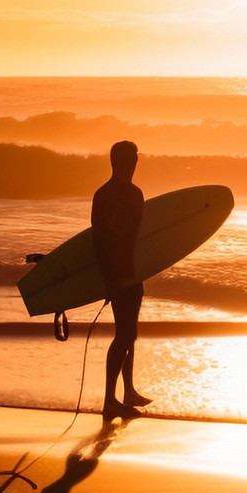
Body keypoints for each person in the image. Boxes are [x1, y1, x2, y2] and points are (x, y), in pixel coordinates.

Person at [92, 139, 149, 419]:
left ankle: (128, 391)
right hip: (122, 274)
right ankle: (110, 401)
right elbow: (104, 240)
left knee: (130, 334)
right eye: (134, 157)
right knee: (125, 335)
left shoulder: (102, 194)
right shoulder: (131, 194)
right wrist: (112, 279)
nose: (137, 161)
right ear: (128, 162)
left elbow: (98, 240)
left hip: (126, 273)